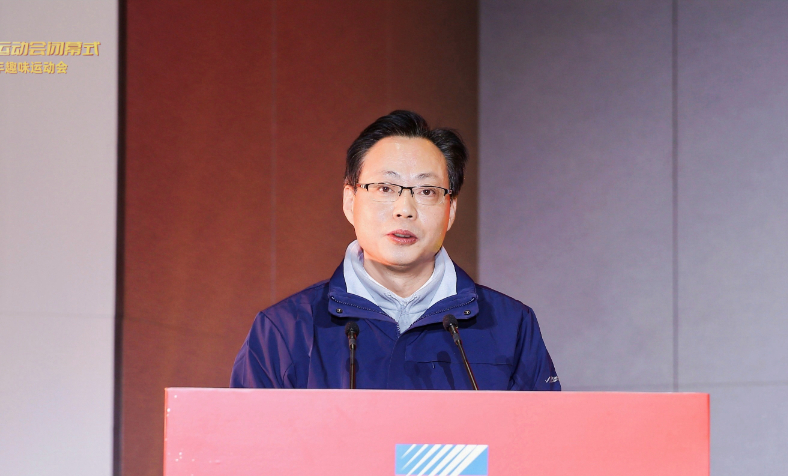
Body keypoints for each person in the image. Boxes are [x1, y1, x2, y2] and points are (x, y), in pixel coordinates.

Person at [230, 110, 560, 390]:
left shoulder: (511, 326)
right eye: (385, 188)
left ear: (451, 210)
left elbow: (542, 441)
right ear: (350, 201)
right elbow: (245, 443)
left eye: (427, 191)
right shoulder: (284, 330)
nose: (404, 209)